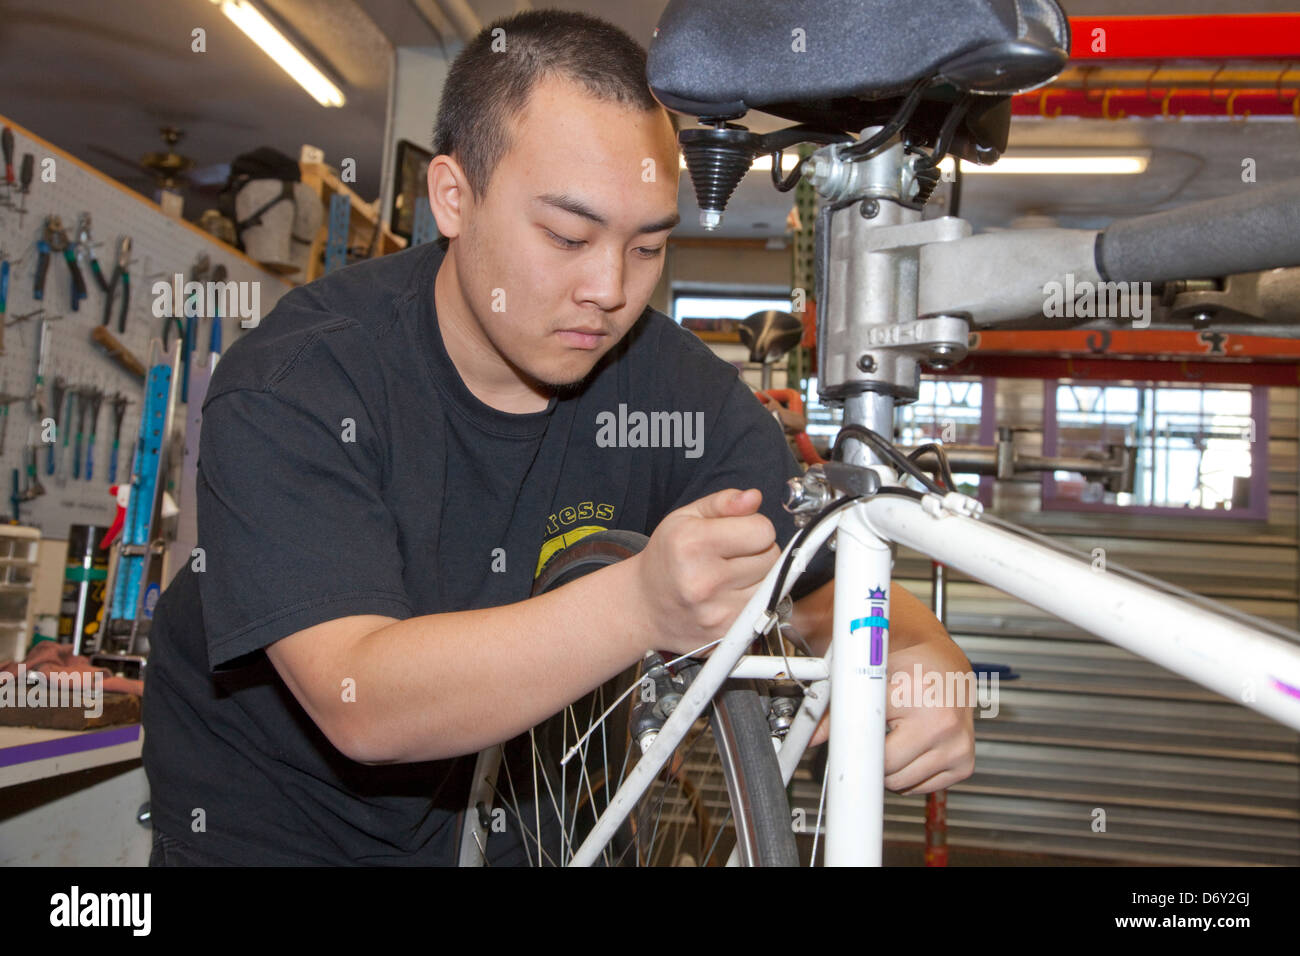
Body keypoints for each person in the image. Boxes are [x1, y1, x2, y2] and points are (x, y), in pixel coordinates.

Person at [142, 8, 974, 867]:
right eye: (568, 237)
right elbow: (360, 700)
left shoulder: (674, 388)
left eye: (648, 247)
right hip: (276, 833)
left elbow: (811, 583)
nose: (609, 291)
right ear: (453, 198)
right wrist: (639, 603)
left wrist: (918, 650)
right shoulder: (299, 381)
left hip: (520, 825)